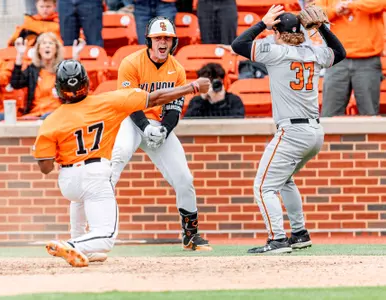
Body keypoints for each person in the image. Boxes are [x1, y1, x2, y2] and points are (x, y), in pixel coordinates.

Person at [33, 59, 209, 267]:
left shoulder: (51, 120)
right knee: (106, 237)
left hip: (68, 181)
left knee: (79, 199)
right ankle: (72, 244)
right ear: (86, 83)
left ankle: (79, 244)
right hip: (96, 173)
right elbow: (155, 99)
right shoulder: (107, 102)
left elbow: (45, 168)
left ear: (59, 89)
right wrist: (193, 87)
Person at [231, 5, 346, 253]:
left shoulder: (276, 51)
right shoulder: (313, 52)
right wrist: (322, 28)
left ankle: (278, 240)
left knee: (263, 187)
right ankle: (300, 233)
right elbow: (340, 52)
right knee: (284, 180)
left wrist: (263, 23)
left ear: (278, 32)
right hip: (315, 132)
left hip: (292, 132)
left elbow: (238, 45)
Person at [109, 16, 212, 251]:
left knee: (184, 178)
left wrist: (165, 129)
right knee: (117, 158)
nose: (163, 42)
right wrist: (145, 127)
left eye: (167, 38)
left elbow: (174, 109)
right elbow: (128, 103)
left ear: (173, 42)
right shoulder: (131, 63)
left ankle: (191, 234)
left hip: (158, 124)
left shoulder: (177, 69)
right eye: (158, 38)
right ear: (149, 41)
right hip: (131, 120)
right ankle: (99, 228)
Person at [316, 0, 386, 116]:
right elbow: (315, 14)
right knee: (329, 115)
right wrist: (335, 10)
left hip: (368, 59)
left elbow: (381, 3)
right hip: (337, 60)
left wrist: (352, 4)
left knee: (370, 115)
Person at [9, 33, 66, 120]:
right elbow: (15, 83)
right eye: (44, 43)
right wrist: (20, 55)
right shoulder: (32, 70)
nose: (47, 46)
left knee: (47, 117)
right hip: (35, 115)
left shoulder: (63, 70)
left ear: (56, 49)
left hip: (57, 115)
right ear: (38, 49)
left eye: (50, 43)